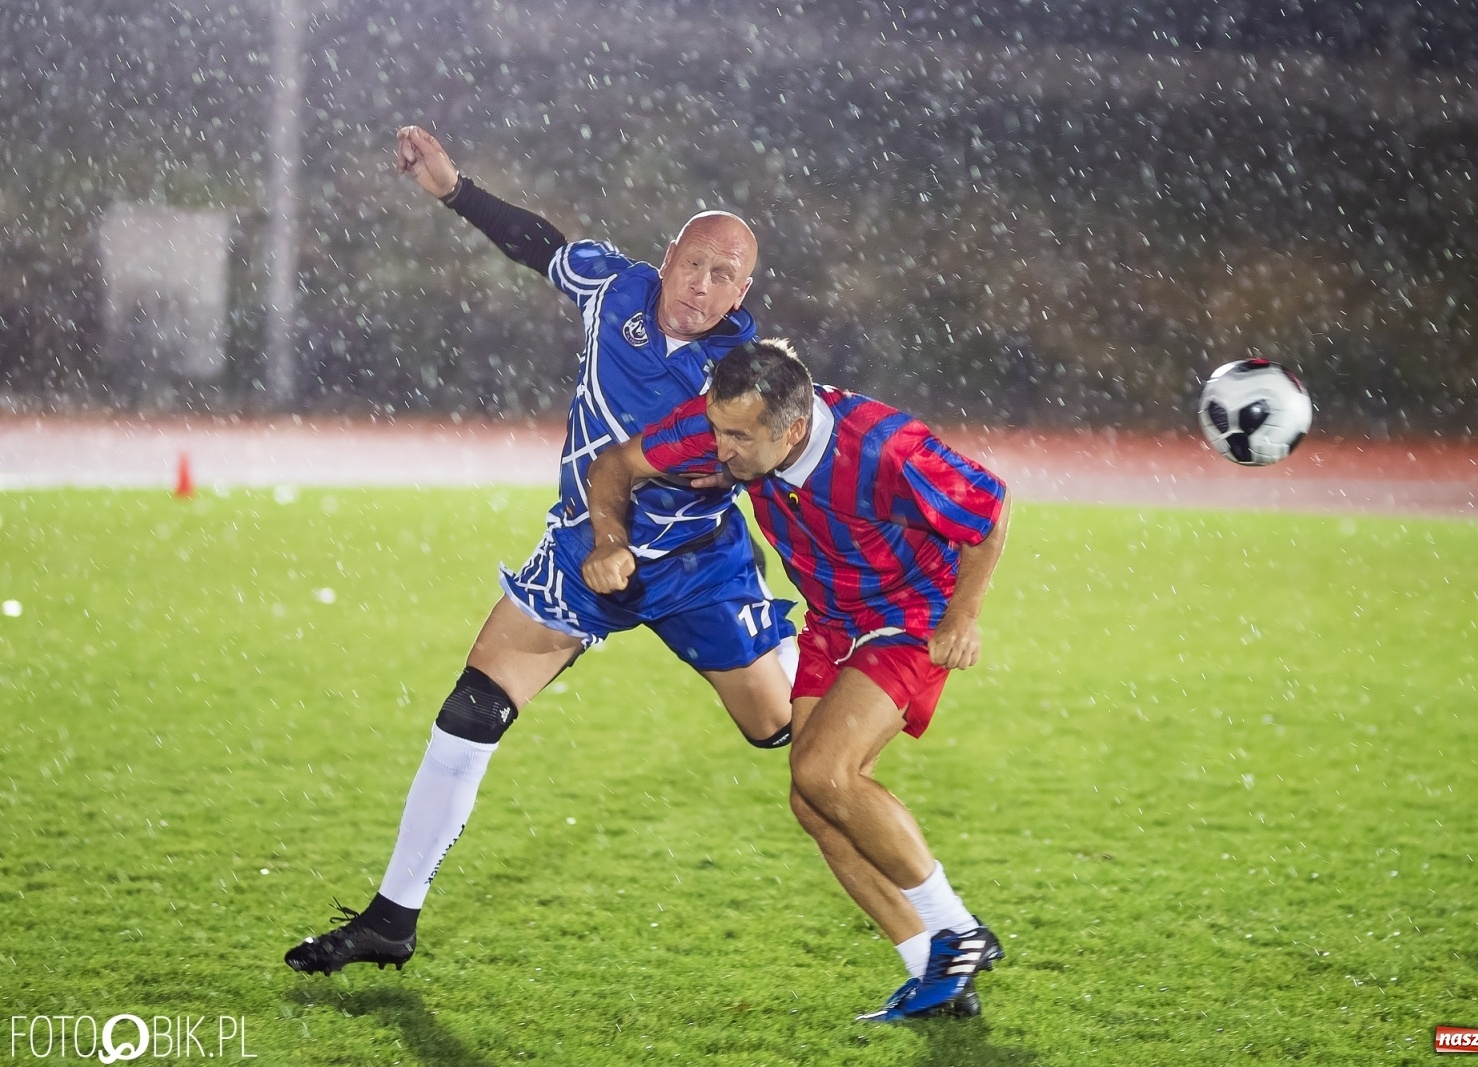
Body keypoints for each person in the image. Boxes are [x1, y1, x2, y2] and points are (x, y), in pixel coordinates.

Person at [284, 126, 800, 975]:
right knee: (471, 708)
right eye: (693, 264)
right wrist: (454, 189)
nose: (701, 286)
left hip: (698, 571)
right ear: (667, 257)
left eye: (723, 276)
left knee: (778, 727)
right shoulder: (614, 287)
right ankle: (391, 917)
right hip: (582, 556)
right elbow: (540, 245)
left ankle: (803, 652)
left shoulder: (745, 373)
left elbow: (794, 464)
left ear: (744, 290)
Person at [582, 340, 1012, 1021]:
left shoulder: (885, 448)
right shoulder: (728, 422)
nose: (718, 447)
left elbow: (989, 509)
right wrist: (610, 539)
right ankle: (930, 968)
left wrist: (964, 616)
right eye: (717, 429)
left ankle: (956, 930)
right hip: (832, 619)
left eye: (737, 439)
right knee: (813, 801)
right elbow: (615, 464)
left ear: (793, 430)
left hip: (911, 613)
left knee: (824, 770)